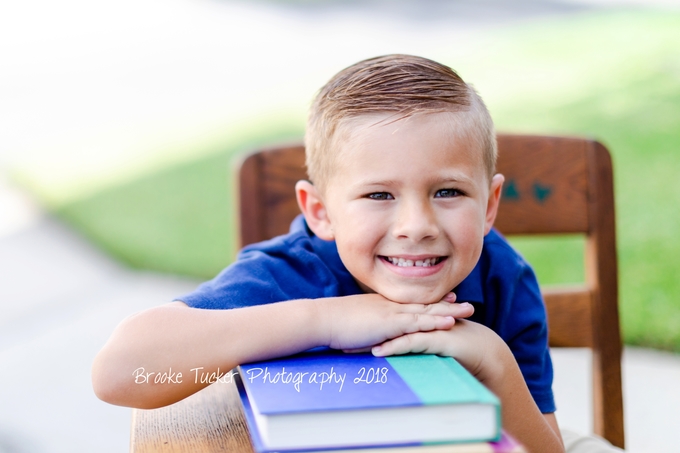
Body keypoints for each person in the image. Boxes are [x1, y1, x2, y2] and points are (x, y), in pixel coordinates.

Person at [93, 55, 621, 453]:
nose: (416, 227)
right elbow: (123, 374)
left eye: (448, 192)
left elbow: (546, 448)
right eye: (378, 195)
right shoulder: (293, 272)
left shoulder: (503, 277)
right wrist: (329, 319)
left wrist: (491, 358)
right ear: (319, 211)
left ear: (490, 204)